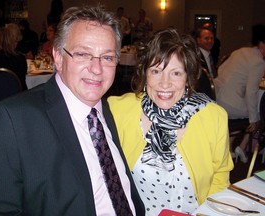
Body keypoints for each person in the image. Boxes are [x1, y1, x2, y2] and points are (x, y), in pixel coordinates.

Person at [0, 5, 145, 216]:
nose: (97, 68)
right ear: (57, 56)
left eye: (108, 57)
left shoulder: (108, 111)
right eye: (83, 54)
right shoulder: (11, 121)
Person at [108, 27, 233, 215]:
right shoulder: (118, 110)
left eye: (176, 73)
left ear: (187, 77)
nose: (164, 83)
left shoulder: (214, 117)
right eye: (156, 71)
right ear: (144, 73)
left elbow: (220, 176)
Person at [214, 24, 265, 163]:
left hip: (218, 98)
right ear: (262, 44)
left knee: (248, 111)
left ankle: (230, 148)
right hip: (231, 104)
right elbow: (251, 91)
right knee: (259, 115)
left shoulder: (240, 51)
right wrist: (254, 120)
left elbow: (222, 68)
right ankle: (242, 147)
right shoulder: (258, 61)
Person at [194, 26, 217, 100]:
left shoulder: (211, 55)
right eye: (206, 38)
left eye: (212, 38)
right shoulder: (196, 56)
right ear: (198, 40)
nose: (210, 41)